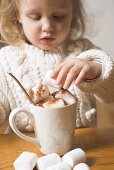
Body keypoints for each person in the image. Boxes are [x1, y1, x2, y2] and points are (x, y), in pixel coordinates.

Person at [0, 0, 114, 134]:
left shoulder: (85, 53)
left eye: (58, 16)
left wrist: (96, 72)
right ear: (17, 14)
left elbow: (110, 94)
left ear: (73, 14)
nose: (47, 26)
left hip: (82, 146)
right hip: (25, 150)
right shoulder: (5, 61)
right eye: (35, 17)